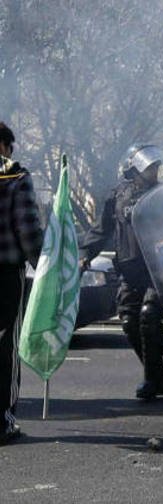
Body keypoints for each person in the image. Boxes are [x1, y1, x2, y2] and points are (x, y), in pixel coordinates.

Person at [80, 144, 163, 400]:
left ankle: (151, 380)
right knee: (129, 322)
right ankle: (157, 372)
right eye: (150, 167)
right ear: (134, 168)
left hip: (159, 269)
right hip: (129, 270)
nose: (155, 171)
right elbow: (102, 230)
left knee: (148, 316)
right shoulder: (117, 196)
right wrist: (85, 254)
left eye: (157, 167)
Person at [0, 122, 42, 443]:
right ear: (5, 146)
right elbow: (29, 234)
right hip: (5, 276)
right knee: (5, 350)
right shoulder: (15, 177)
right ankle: (3, 421)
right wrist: (44, 268)